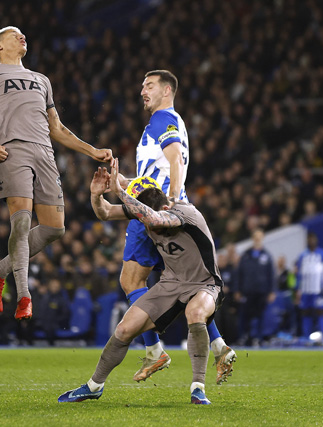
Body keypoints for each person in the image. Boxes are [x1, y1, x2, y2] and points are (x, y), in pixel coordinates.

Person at [0, 26, 112, 321]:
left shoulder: (41, 80)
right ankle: (24, 296)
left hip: (45, 152)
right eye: (14, 34)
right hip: (12, 149)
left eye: (23, 34)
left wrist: (92, 150)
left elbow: (56, 128)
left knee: (55, 228)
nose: (22, 36)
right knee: (21, 222)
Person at [58, 159, 223, 404]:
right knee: (125, 328)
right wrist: (95, 196)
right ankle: (94, 386)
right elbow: (105, 212)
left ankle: (198, 388)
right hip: (171, 284)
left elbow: (155, 220)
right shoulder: (144, 211)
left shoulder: (183, 211)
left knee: (196, 312)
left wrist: (119, 191)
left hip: (204, 283)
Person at [114, 70, 234, 383]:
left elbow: (175, 159)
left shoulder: (161, 120)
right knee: (185, 284)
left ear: (167, 90)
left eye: (149, 85)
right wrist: (122, 184)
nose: (143, 90)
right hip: (161, 209)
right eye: (141, 85)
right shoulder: (165, 122)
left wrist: (172, 200)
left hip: (156, 213)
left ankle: (155, 351)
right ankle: (219, 345)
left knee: (131, 280)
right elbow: (153, 174)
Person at [235, 229, 275, 346]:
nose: (257, 239)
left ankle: (259, 338)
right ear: (253, 239)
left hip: (262, 291)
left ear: (262, 238)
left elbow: (271, 275)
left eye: (259, 237)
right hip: (247, 291)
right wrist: (237, 289)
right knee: (245, 316)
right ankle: (245, 337)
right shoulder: (245, 255)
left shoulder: (267, 256)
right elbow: (239, 273)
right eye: (255, 237)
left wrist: (272, 291)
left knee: (261, 315)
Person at [295, 232, 323, 341]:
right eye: (309, 239)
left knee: (320, 312)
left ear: (316, 240)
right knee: (306, 312)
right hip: (306, 289)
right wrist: (298, 288)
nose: (311, 241)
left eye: (313, 239)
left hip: (318, 289)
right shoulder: (302, 256)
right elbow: (299, 274)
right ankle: (307, 338)